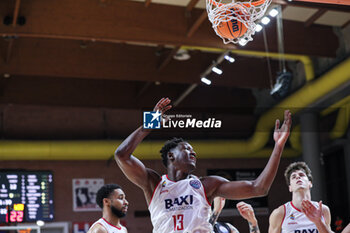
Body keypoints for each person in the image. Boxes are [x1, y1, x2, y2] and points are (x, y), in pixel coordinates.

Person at [115, 97, 292, 233]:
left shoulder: (207, 185)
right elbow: (121, 155)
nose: (193, 153)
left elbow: (258, 188)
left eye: (194, 151)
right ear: (171, 156)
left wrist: (278, 146)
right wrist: (150, 124)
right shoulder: (153, 183)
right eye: (186, 149)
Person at [269, 161, 332, 233]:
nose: (298, 177)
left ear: (310, 183)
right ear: (290, 188)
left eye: (301, 175)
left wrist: (318, 222)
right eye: (293, 177)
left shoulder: (323, 210)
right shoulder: (280, 213)